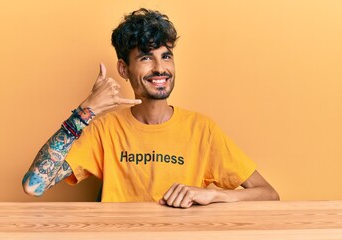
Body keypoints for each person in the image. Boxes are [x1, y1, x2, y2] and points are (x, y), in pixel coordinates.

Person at [22, 8, 279, 208]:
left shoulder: (202, 129)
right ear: (124, 69)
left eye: (166, 56)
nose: (159, 68)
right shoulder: (105, 130)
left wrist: (213, 195)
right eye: (146, 57)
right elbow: (34, 186)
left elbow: (269, 194)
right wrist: (84, 112)